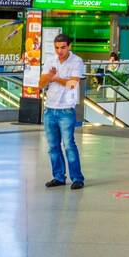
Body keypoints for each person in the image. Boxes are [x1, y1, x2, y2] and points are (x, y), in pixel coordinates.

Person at [41, 36, 86, 190]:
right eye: (57, 48)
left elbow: (73, 83)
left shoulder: (76, 61)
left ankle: (77, 178)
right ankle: (58, 176)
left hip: (66, 109)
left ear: (69, 46)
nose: (59, 51)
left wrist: (55, 78)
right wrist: (48, 77)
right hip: (50, 109)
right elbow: (40, 84)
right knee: (53, 146)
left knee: (68, 145)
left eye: (63, 47)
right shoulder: (50, 60)